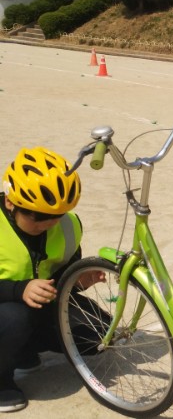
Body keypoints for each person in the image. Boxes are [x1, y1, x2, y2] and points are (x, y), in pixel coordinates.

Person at [0, 147, 101, 413]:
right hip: (7, 307)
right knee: (13, 319)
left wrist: (77, 280)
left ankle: (20, 350)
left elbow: (59, 276)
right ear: (11, 202)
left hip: (34, 307)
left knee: (97, 334)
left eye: (56, 216)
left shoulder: (68, 225)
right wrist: (18, 289)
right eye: (39, 217)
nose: (49, 224)